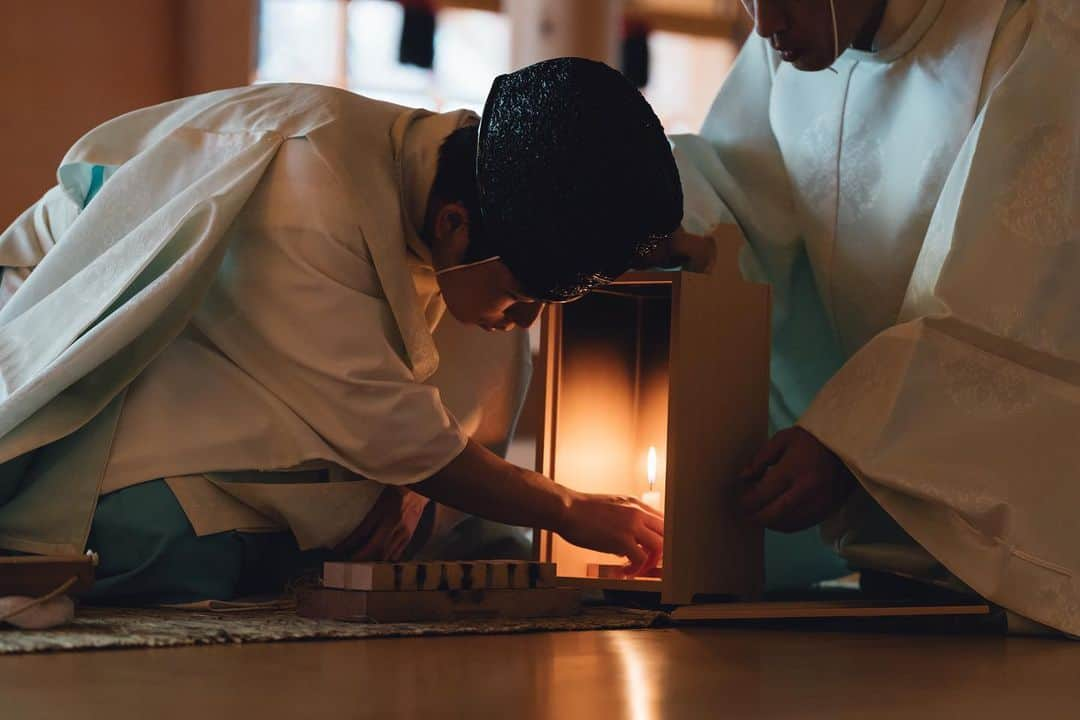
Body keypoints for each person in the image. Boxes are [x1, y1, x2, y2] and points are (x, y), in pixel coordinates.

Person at [0, 58, 679, 603]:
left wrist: (415, 481)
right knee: (162, 542)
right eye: (520, 298)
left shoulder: (475, 202)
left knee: (474, 536)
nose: (524, 322)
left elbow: (425, 423)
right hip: (117, 342)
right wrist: (565, 506)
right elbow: (386, 422)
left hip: (268, 389)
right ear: (452, 224)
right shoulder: (307, 188)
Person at [675, 0, 1078, 633]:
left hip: (1011, 565)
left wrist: (852, 440)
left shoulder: (1029, 27)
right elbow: (741, 200)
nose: (763, 25)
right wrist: (668, 217)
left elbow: (1007, 296)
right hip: (886, 558)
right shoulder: (789, 44)